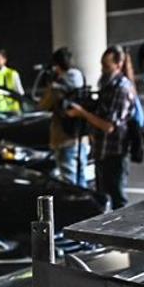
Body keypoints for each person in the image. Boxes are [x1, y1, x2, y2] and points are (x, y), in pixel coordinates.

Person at [66, 45, 137, 211]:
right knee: (101, 198)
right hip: (101, 151)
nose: (103, 69)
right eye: (102, 65)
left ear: (118, 65)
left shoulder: (122, 89)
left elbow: (108, 126)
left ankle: (120, 235)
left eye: (106, 65)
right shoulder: (108, 86)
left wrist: (82, 113)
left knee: (118, 201)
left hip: (116, 153)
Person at [38, 47, 91, 188]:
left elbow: (43, 105)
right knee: (81, 179)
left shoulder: (58, 86)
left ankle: (77, 209)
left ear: (57, 65)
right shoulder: (81, 80)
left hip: (64, 139)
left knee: (69, 183)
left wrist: (50, 84)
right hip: (81, 137)